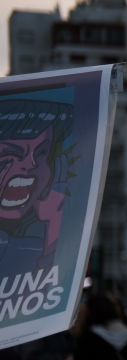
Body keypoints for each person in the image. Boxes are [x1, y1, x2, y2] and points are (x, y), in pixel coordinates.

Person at [0, 97, 74, 276]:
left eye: (41, 153)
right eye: (11, 154)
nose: (31, 164)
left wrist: (54, 222)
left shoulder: (28, 247)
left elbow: (44, 293)